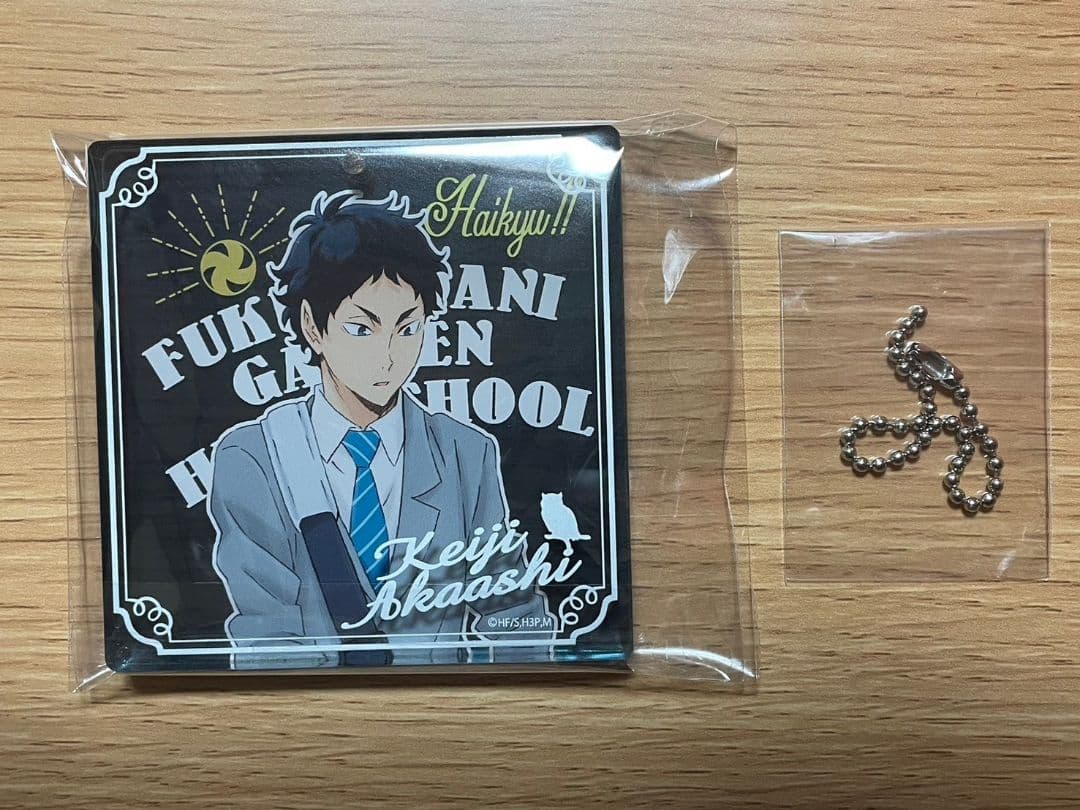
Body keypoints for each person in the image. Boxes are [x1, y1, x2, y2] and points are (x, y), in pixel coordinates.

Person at [209, 190, 552, 669]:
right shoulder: (255, 457)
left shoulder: (465, 453)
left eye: (408, 328)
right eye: (361, 328)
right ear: (312, 326)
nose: (388, 356)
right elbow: (268, 637)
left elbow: (513, 613)